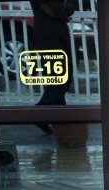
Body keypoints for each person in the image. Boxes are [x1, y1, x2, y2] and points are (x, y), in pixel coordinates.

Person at [30, 0, 78, 135]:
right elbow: (56, 10)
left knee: (64, 79)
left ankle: (55, 118)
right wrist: (64, 10)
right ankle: (43, 114)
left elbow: (71, 7)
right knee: (58, 80)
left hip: (60, 33)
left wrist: (64, 10)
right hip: (48, 36)